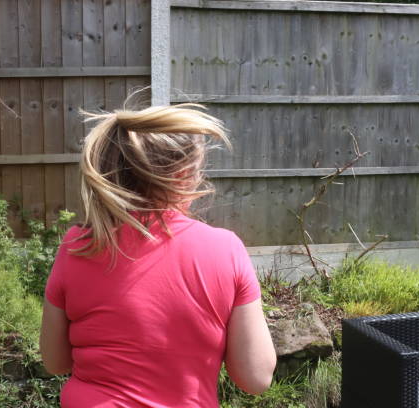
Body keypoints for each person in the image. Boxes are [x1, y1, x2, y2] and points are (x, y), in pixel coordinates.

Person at [39, 102, 277, 408]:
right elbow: (256, 378)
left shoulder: (78, 246)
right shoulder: (225, 250)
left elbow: (55, 361)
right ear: (184, 175)